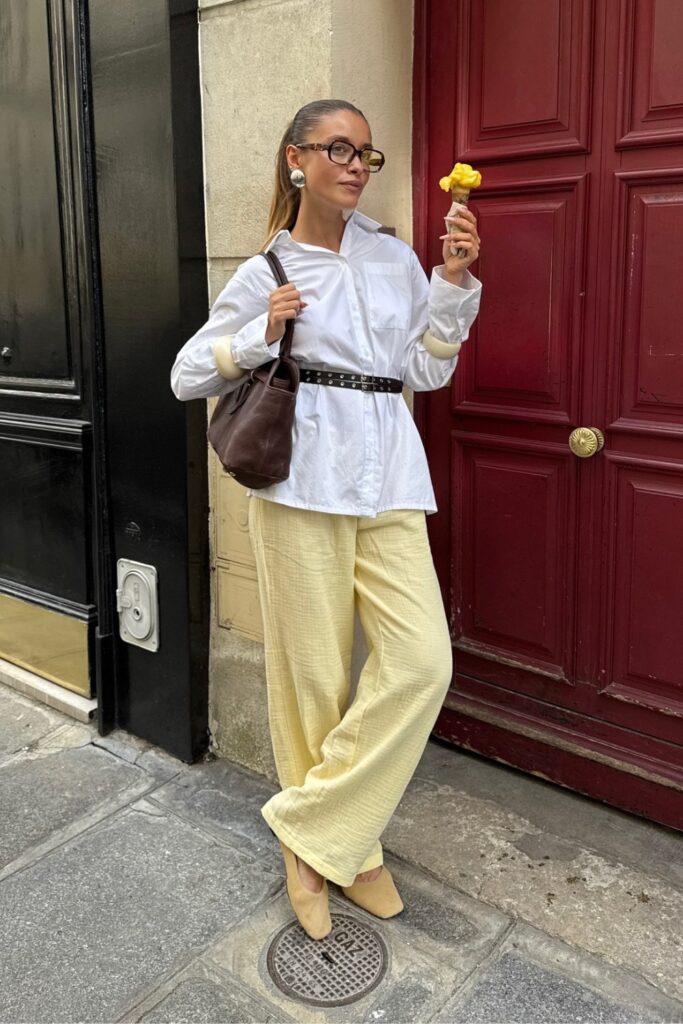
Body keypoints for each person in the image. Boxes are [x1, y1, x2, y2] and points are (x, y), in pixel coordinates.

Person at [171, 99, 482, 940]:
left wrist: (451, 283)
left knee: (421, 664)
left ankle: (310, 831)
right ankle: (349, 847)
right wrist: (257, 338)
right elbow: (185, 373)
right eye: (336, 148)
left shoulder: (392, 258)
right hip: (300, 477)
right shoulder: (268, 266)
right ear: (295, 161)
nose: (353, 163)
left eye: (364, 153)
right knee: (312, 677)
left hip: (387, 474)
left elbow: (425, 369)